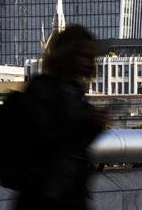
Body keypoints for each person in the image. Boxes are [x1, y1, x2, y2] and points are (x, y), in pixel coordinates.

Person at [17, 24, 106, 209]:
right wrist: (85, 123)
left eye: (92, 57)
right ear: (66, 57)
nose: (89, 63)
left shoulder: (74, 94)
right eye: (83, 56)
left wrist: (92, 127)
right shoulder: (43, 92)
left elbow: (73, 145)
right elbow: (45, 142)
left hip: (68, 196)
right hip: (44, 199)